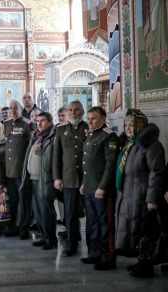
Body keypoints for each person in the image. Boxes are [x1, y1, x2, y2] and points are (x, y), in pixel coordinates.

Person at [115, 110, 165, 257]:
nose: (128, 128)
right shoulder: (129, 143)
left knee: (144, 228)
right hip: (128, 192)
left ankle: (145, 262)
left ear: (142, 125)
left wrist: (152, 198)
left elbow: (156, 173)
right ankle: (138, 258)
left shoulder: (151, 145)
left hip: (141, 194)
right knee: (130, 227)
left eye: (132, 125)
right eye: (126, 125)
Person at [80, 106, 119, 271]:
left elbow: (110, 165)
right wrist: (84, 183)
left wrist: (102, 187)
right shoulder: (90, 135)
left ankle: (108, 257)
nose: (90, 121)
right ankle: (94, 253)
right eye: (88, 118)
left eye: (93, 118)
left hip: (101, 190)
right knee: (92, 222)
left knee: (105, 223)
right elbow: (86, 164)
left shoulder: (108, 137)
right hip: (89, 187)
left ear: (103, 118)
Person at [53, 100, 88, 257]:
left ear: (82, 111)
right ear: (67, 112)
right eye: (71, 110)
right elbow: (57, 157)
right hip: (68, 178)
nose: (74, 112)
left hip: (87, 179)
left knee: (90, 214)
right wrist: (57, 178)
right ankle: (72, 243)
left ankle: (93, 246)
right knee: (70, 213)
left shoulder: (88, 128)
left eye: (77, 110)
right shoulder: (60, 130)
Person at [20, 112, 57, 250]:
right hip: (33, 178)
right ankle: (43, 235)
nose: (39, 123)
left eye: (42, 121)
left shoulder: (53, 136)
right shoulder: (36, 135)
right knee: (37, 211)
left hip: (45, 179)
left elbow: (53, 158)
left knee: (46, 210)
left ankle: (51, 239)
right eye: (37, 121)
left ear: (50, 121)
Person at [2, 100, 32, 238]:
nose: (13, 110)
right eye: (11, 108)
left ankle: (24, 228)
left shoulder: (27, 124)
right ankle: (12, 226)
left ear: (21, 109)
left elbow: (30, 147)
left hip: (21, 170)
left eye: (15, 108)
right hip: (9, 171)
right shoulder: (6, 124)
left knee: (24, 201)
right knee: (12, 200)